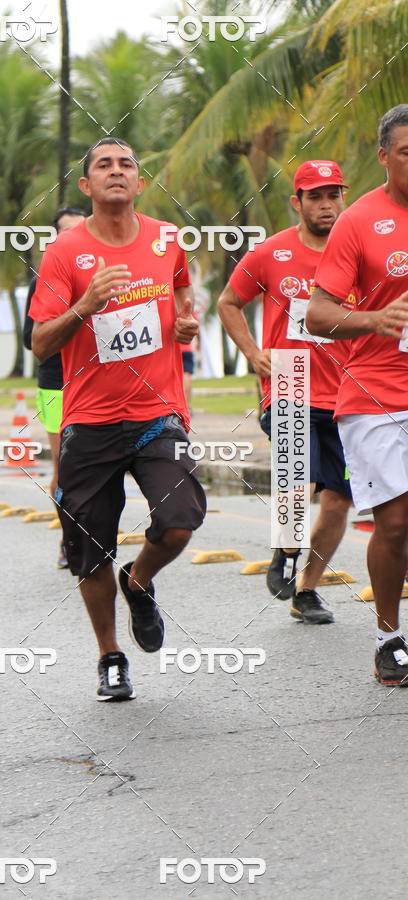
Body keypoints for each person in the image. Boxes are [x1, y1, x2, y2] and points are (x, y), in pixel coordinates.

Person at [30, 137, 207, 701]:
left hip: (158, 412)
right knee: (89, 547)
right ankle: (110, 655)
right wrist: (84, 306)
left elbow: (182, 295)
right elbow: (39, 344)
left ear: (139, 182)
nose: (115, 171)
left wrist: (184, 323)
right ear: (86, 186)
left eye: (126, 164)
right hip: (90, 419)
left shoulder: (166, 239)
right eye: (102, 165)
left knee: (180, 519)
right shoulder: (64, 253)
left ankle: (141, 579)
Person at [217, 160, 354, 624]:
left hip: (349, 390)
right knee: (302, 478)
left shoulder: (358, 254)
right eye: (315, 196)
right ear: (297, 202)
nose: (326, 204)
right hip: (289, 380)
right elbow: (228, 302)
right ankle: (284, 550)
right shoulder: (270, 254)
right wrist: (253, 352)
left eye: (333, 195)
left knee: (339, 500)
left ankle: (308, 591)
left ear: (343, 198)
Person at [307, 105, 408, 685]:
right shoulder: (360, 221)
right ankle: (388, 637)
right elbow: (319, 312)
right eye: (406, 152)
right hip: (375, 398)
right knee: (395, 524)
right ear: (383, 157)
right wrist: (372, 320)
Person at [23, 206, 87, 569]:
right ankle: (69, 539)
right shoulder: (44, 280)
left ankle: (95, 536)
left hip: (95, 383)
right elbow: (30, 340)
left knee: (99, 469)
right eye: (68, 232)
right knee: (66, 469)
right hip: (55, 386)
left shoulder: (104, 274)